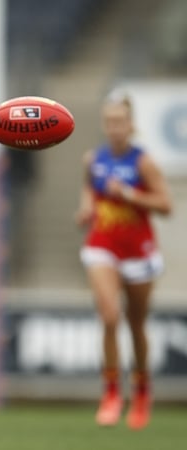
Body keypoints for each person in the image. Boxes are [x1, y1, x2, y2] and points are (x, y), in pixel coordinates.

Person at [75, 93, 172, 430]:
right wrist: (87, 207)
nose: (114, 128)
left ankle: (142, 390)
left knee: (136, 323)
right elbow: (89, 189)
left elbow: (166, 206)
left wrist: (130, 194)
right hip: (103, 243)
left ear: (131, 125)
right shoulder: (94, 159)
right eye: (109, 122)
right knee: (109, 315)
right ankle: (111, 392)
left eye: (120, 122)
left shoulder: (143, 163)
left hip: (138, 250)